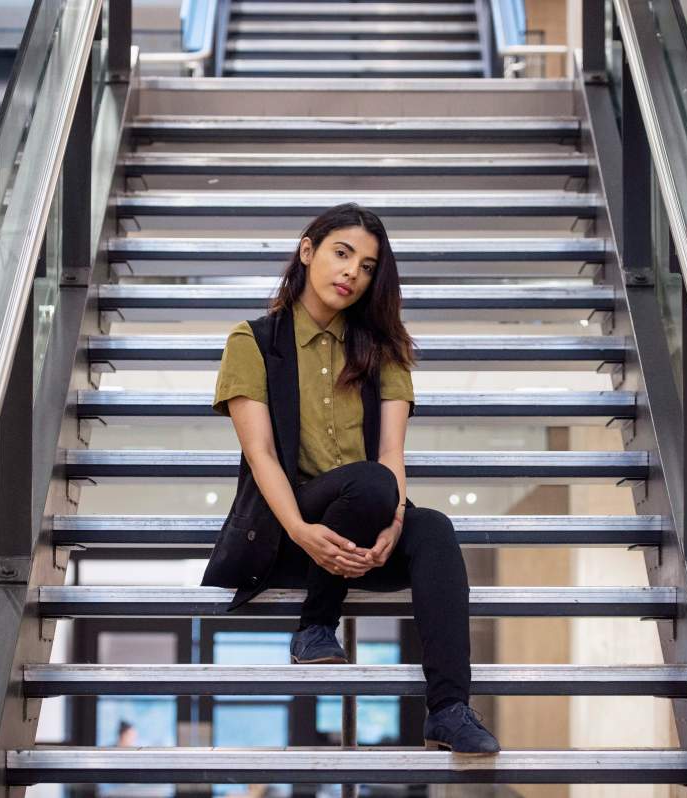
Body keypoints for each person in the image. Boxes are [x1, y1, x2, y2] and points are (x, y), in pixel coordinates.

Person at [202, 202, 500, 755]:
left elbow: (392, 451)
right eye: (342, 254)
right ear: (308, 250)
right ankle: (315, 624)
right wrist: (299, 529)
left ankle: (449, 709)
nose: (352, 274)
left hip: (363, 527)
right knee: (366, 483)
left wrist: (396, 521)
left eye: (366, 267)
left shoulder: (383, 348)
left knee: (431, 527)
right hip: (286, 534)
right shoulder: (254, 341)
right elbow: (261, 453)